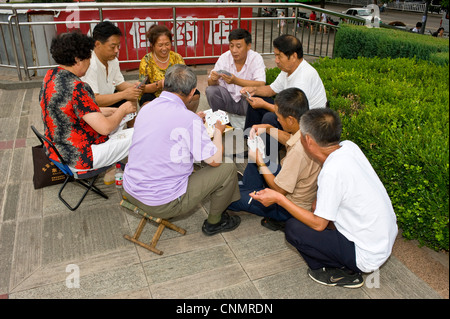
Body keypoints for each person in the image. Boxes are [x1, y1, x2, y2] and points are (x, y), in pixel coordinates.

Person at [250, 108, 398, 288]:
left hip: (366, 254)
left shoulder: (331, 172)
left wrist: (280, 200)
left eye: (301, 136)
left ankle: (341, 272)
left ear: (309, 141)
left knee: (294, 229)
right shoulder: (349, 146)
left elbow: (318, 224)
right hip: (383, 237)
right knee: (314, 208)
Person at [123, 64, 241, 236]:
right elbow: (214, 161)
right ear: (193, 92)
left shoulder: (147, 108)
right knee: (227, 168)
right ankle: (215, 222)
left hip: (131, 189)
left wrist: (193, 120)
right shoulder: (188, 119)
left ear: (164, 84)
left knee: (193, 156)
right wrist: (218, 131)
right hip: (161, 202)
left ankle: (228, 200)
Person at [40, 31, 136, 174]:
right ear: (78, 60)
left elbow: (76, 111)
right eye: (88, 58)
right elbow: (105, 129)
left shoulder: (50, 76)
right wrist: (122, 109)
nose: (90, 62)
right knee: (141, 133)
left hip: (57, 152)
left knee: (121, 120)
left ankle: (119, 169)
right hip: (80, 158)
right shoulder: (77, 87)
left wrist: (112, 111)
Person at [228, 88, 321, 231]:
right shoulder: (310, 130)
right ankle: (248, 188)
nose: (277, 119)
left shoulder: (298, 153)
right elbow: (291, 139)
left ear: (290, 119)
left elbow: (279, 191)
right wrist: (269, 128)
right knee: (258, 163)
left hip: (287, 207)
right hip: (291, 181)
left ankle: (247, 192)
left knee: (228, 196)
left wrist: (259, 161)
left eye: (279, 117)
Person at [242, 34, 327, 130]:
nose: (276, 61)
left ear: (294, 56)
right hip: (291, 111)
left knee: (270, 118)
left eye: (279, 56)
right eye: (275, 56)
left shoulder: (304, 77)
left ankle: (270, 145)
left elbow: (292, 113)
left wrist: (263, 104)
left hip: (307, 123)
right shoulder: (287, 70)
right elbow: (271, 89)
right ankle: (249, 138)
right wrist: (253, 90)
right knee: (256, 98)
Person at [206, 28, 266, 129]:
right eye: (231, 45)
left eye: (238, 46)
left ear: (248, 46)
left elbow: (261, 84)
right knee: (211, 91)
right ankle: (223, 123)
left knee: (251, 93)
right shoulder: (224, 57)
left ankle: (249, 127)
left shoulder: (256, 58)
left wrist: (236, 81)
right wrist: (213, 79)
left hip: (245, 102)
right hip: (228, 100)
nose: (234, 50)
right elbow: (209, 83)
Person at [138, 24, 200, 112]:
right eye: (160, 45)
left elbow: (186, 78)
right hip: (155, 94)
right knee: (146, 101)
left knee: (194, 94)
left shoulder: (177, 57)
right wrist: (159, 84)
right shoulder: (146, 61)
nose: (164, 48)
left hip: (176, 93)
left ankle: (186, 118)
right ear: (152, 45)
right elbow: (142, 88)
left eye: (167, 44)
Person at [81, 21, 143, 109]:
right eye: (112, 47)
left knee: (131, 99)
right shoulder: (89, 63)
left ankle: (132, 123)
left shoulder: (113, 60)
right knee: (126, 97)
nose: (116, 50)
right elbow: (94, 99)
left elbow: (119, 83)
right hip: (92, 106)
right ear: (97, 44)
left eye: (118, 46)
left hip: (108, 99)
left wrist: (134, 87)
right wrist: (124, 94)